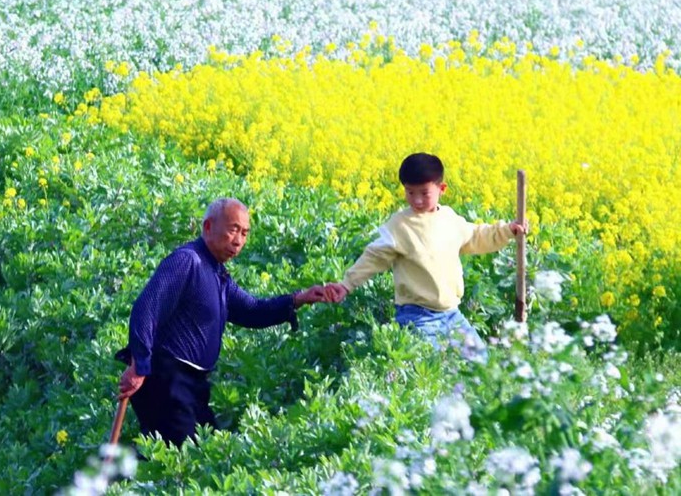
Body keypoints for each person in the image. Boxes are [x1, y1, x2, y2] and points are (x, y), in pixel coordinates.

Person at [116, 198, 327, 446]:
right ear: (208, 227)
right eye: (233, 229)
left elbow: (253, 310)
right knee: (181, 456)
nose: (238, 241)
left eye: (245, 233)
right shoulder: (187, 261)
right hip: (166, 379)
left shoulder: (218, 274)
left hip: (192, 385)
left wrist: (299, 299)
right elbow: (146, 308)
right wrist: (139, 365)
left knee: (209, 451)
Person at [324, 153, 527, 360]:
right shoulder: (399, 225)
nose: (417, 200)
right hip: (417, 316)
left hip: (452, 314)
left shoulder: (449, 219)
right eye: (410, 192)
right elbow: (374, 257)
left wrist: (508, 230)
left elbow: (476, 236)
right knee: (433, 368)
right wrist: (346, 284)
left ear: (442, 189)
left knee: (480, 363)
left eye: (424, 193)